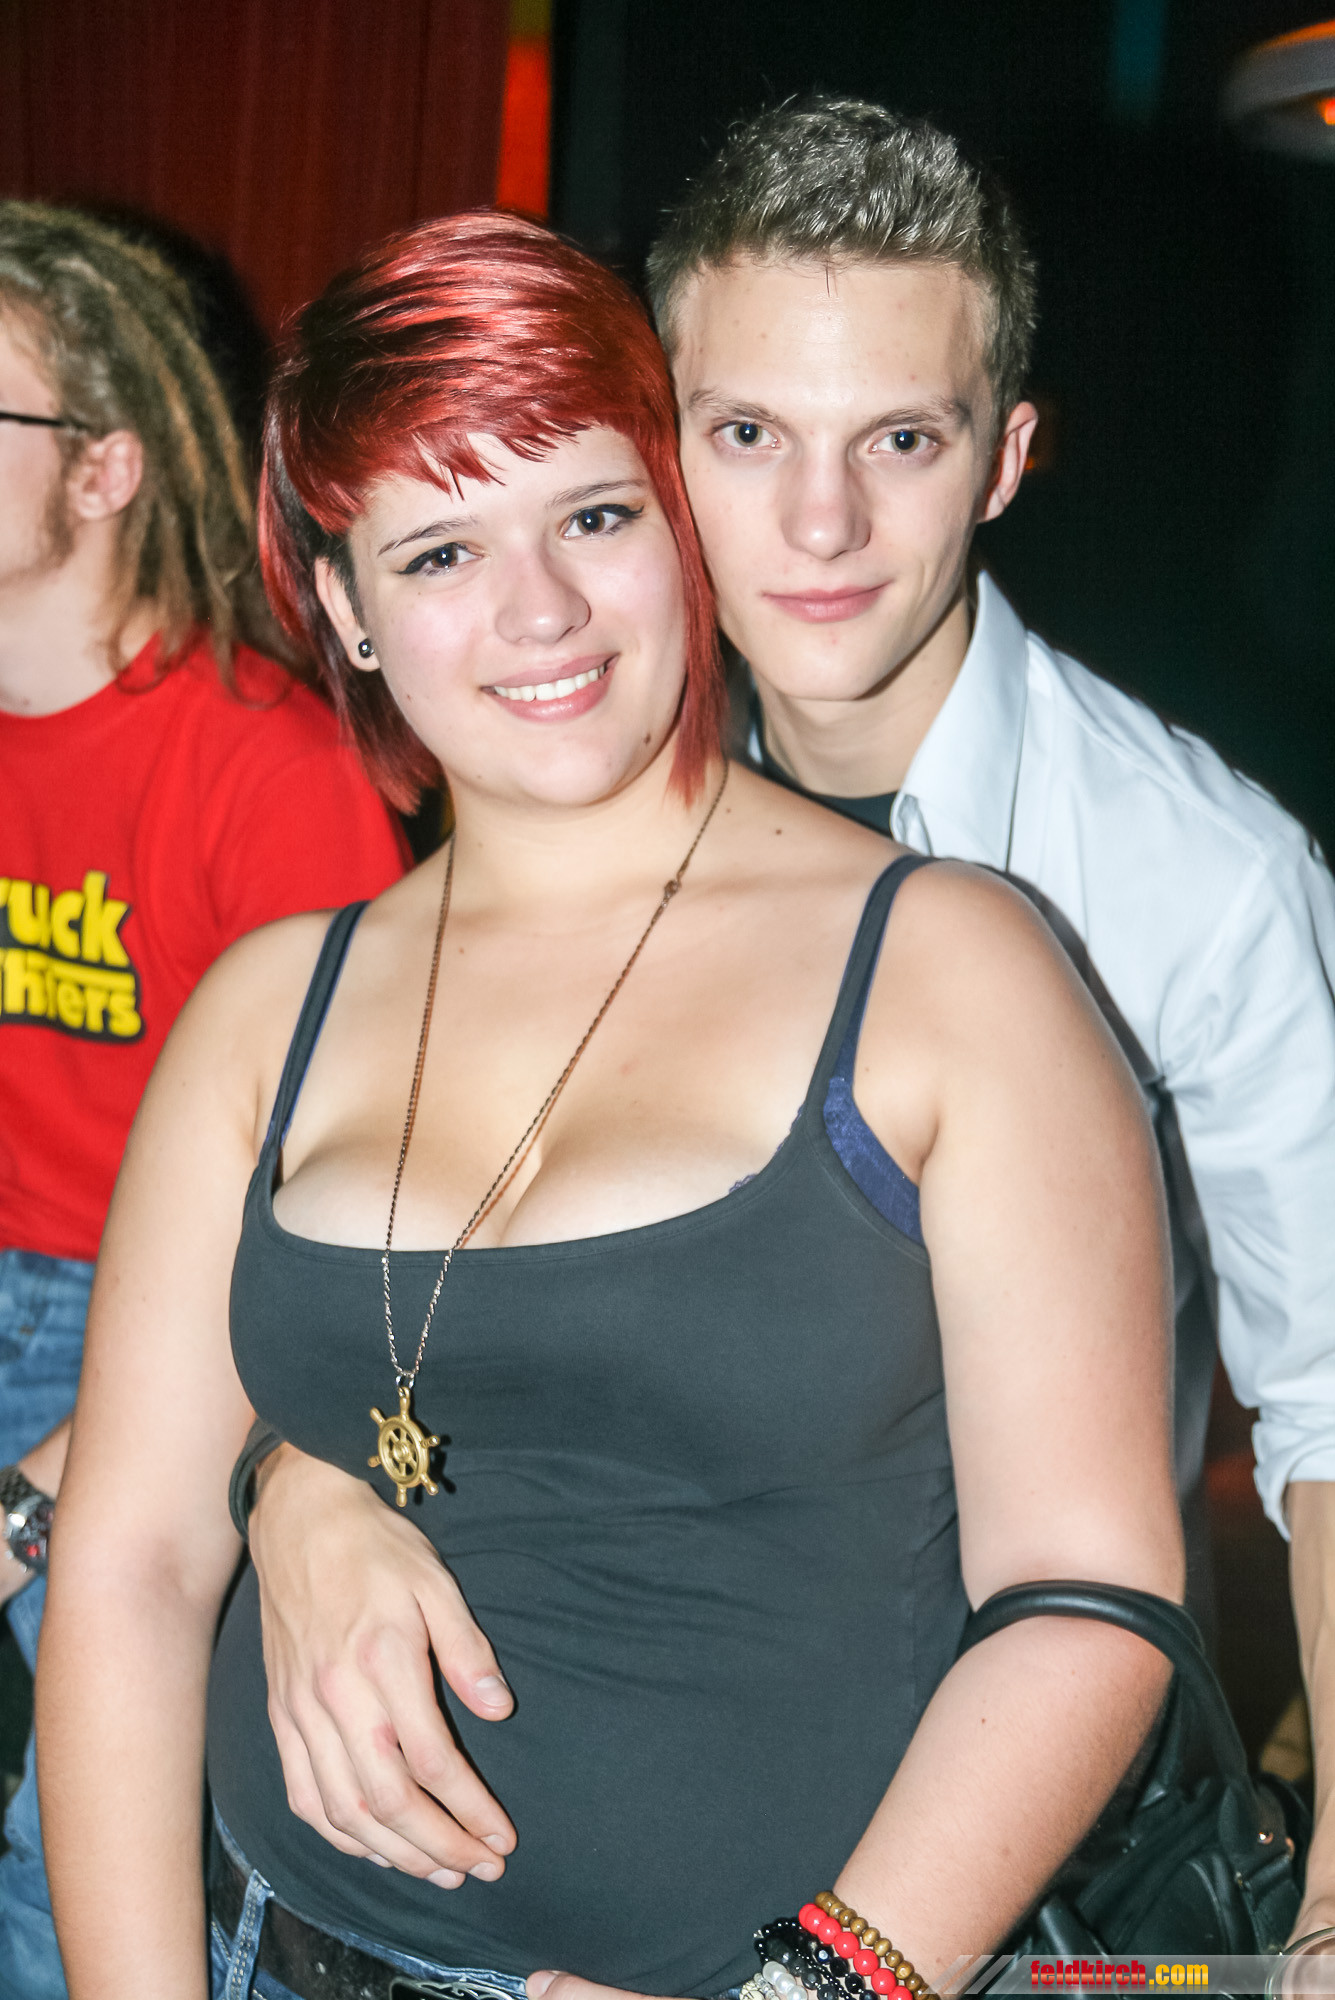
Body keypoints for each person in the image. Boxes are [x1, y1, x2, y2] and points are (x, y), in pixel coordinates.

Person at [38, 211, 1181, 2000]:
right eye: (439, 551)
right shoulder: (270, 1008)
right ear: (343, 608)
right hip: (282, 1950)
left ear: (680, 530)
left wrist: (817, 1989)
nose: (541, 612)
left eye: (591, 517)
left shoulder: (950, 969)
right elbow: (127, 1569)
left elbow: (1089, 1598)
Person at [237, 99, 1335, 1956]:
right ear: (659, 442)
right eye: (749, 435)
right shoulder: (566, 742)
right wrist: (295, 1481)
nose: (824, 525)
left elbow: (1327, 1410)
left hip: (1006, 1832)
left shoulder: (1197, 884)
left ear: (1005, 457)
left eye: (902, 438)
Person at [0, 200, 409, 2000]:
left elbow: (325, 1257)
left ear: (104, 472)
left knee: (79, 1848)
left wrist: (34, 1504)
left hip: (169, 1334)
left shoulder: (269, 768)